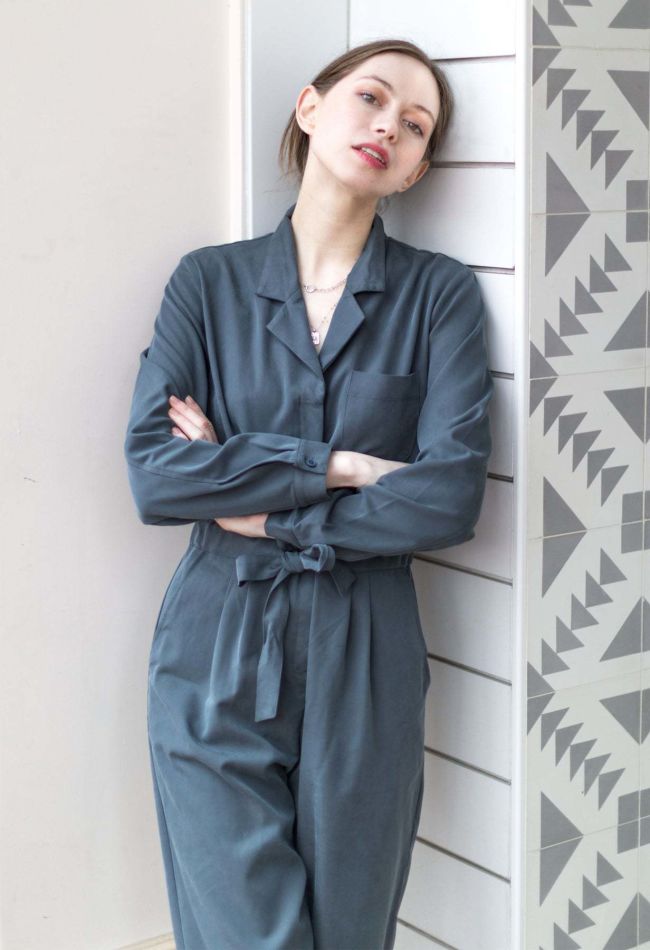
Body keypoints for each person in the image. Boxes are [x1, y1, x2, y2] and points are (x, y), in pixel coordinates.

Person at [124, 37, 494, 950]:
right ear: (309, 107)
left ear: (416, 171)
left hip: (365, 642)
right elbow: (156, 472)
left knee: (349, 932)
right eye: (371, 97)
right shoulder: (207, 283)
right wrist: (342, 466)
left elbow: (447, 497)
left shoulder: (439, 297)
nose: (390, 126)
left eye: (416, 126)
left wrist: (252, 497)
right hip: (216, 639)